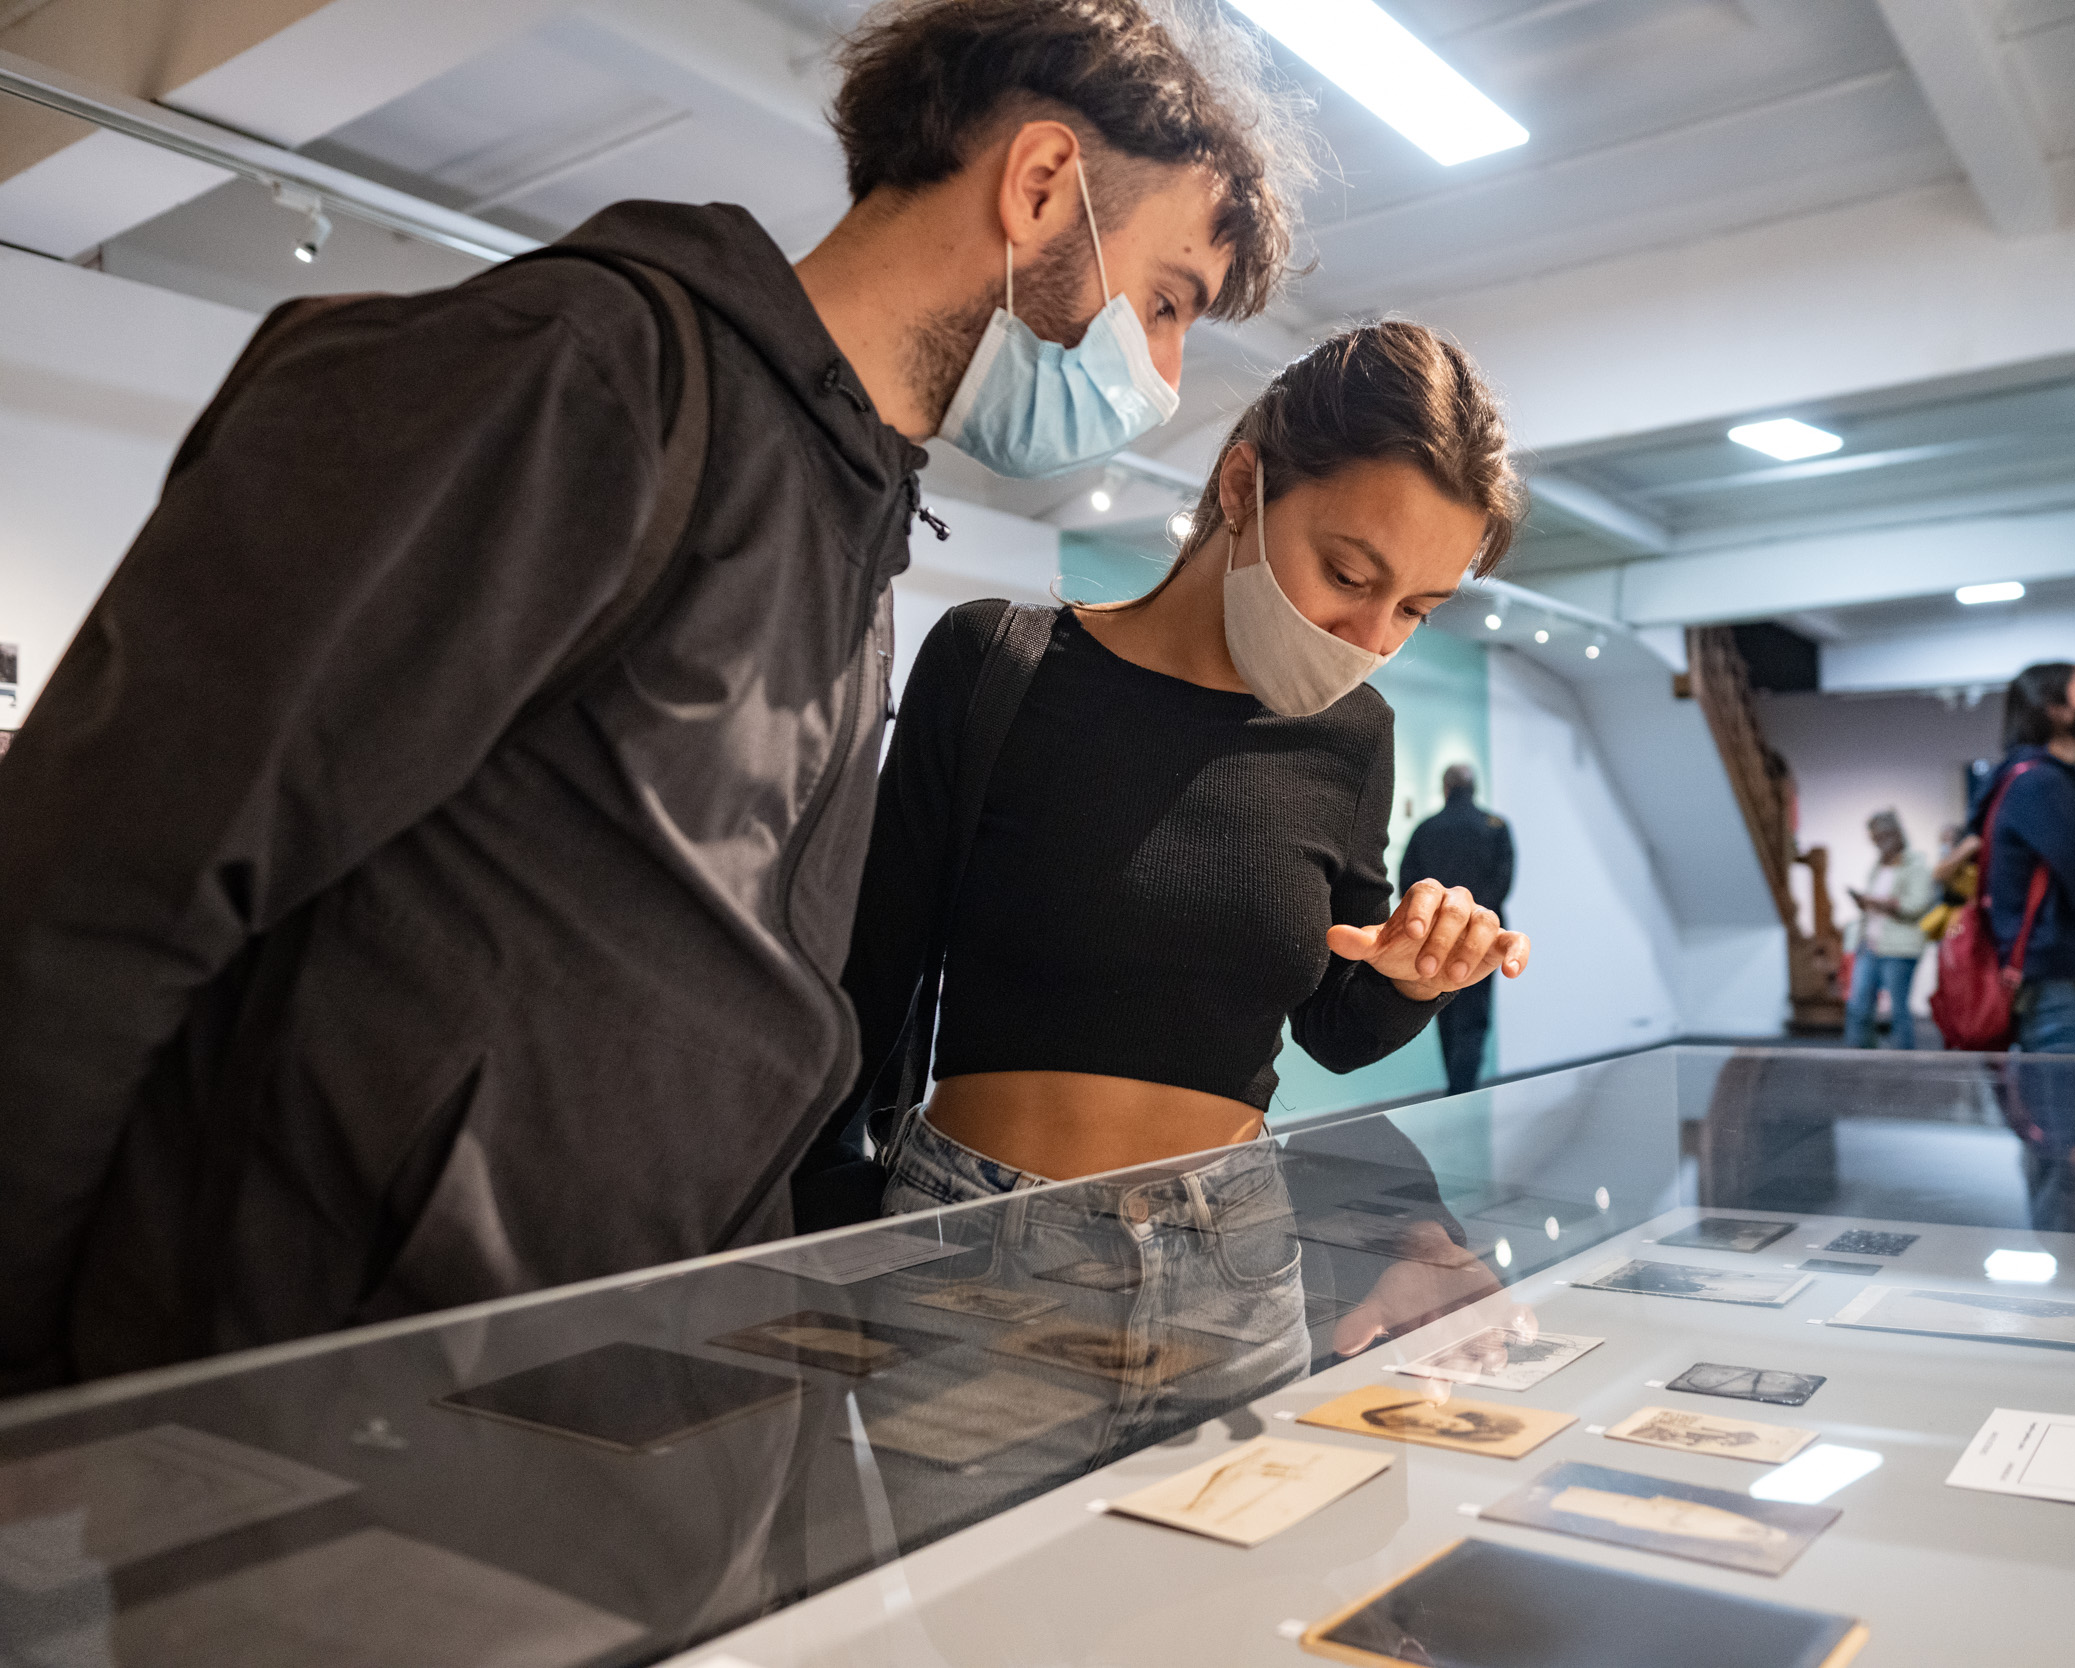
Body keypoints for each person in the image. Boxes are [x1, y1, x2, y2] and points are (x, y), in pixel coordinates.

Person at [0, 0, 1313, 1391]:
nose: (1160, 380)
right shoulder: (582, 378)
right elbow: (96, 889)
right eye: (1164, 301)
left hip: (600, 1402)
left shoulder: (847, 503)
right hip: (339, 1400)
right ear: (1041, 184)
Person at [807, 321, 1529, 1370]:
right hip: (983, 1258)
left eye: (1415, 608)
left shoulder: (1353, 738)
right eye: (1346, 573)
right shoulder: (995, 665)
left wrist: (1415, 978)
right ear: (1241, 487)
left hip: (1236, 1261)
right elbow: (868, 976)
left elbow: (1332, 1024)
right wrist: (819, 1245)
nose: (1371, 638)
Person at [1976, 661, 2075, 1232]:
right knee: (2068, 1137)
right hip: (2063, 978)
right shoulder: (2044, 783)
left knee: (2059, 1131)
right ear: (2054, 709)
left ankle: (2070, 1261)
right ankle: (2073, 1268)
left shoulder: (2026, 778)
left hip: (2060, 975)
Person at [1399, 763, 1516, 1092]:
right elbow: (1503, 881)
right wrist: (1474, 918)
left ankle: (1455, 1089)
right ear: (1474, 788)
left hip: (1436, 939)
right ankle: (1462, 1092)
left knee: (1444, 1015)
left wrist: (1436, 919)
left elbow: (1409, 884)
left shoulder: (1425, 830)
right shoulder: (1496, 827)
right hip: (1484, 940)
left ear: (1444, 788)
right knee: (1474, 1019)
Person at [1843, 809, 1935, 1050]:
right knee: (1858, 1007)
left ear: (1894, 833)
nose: (1877, 842)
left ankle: (1904, 1067)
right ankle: (1862, 1060)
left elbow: (1917, 904)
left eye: (1880, 836)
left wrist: (1881, 903)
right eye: (1874, 838)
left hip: (1900, 948)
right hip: (1870, 943)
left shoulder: (1916, 864)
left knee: (1898, 1010)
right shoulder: (1878, 867)